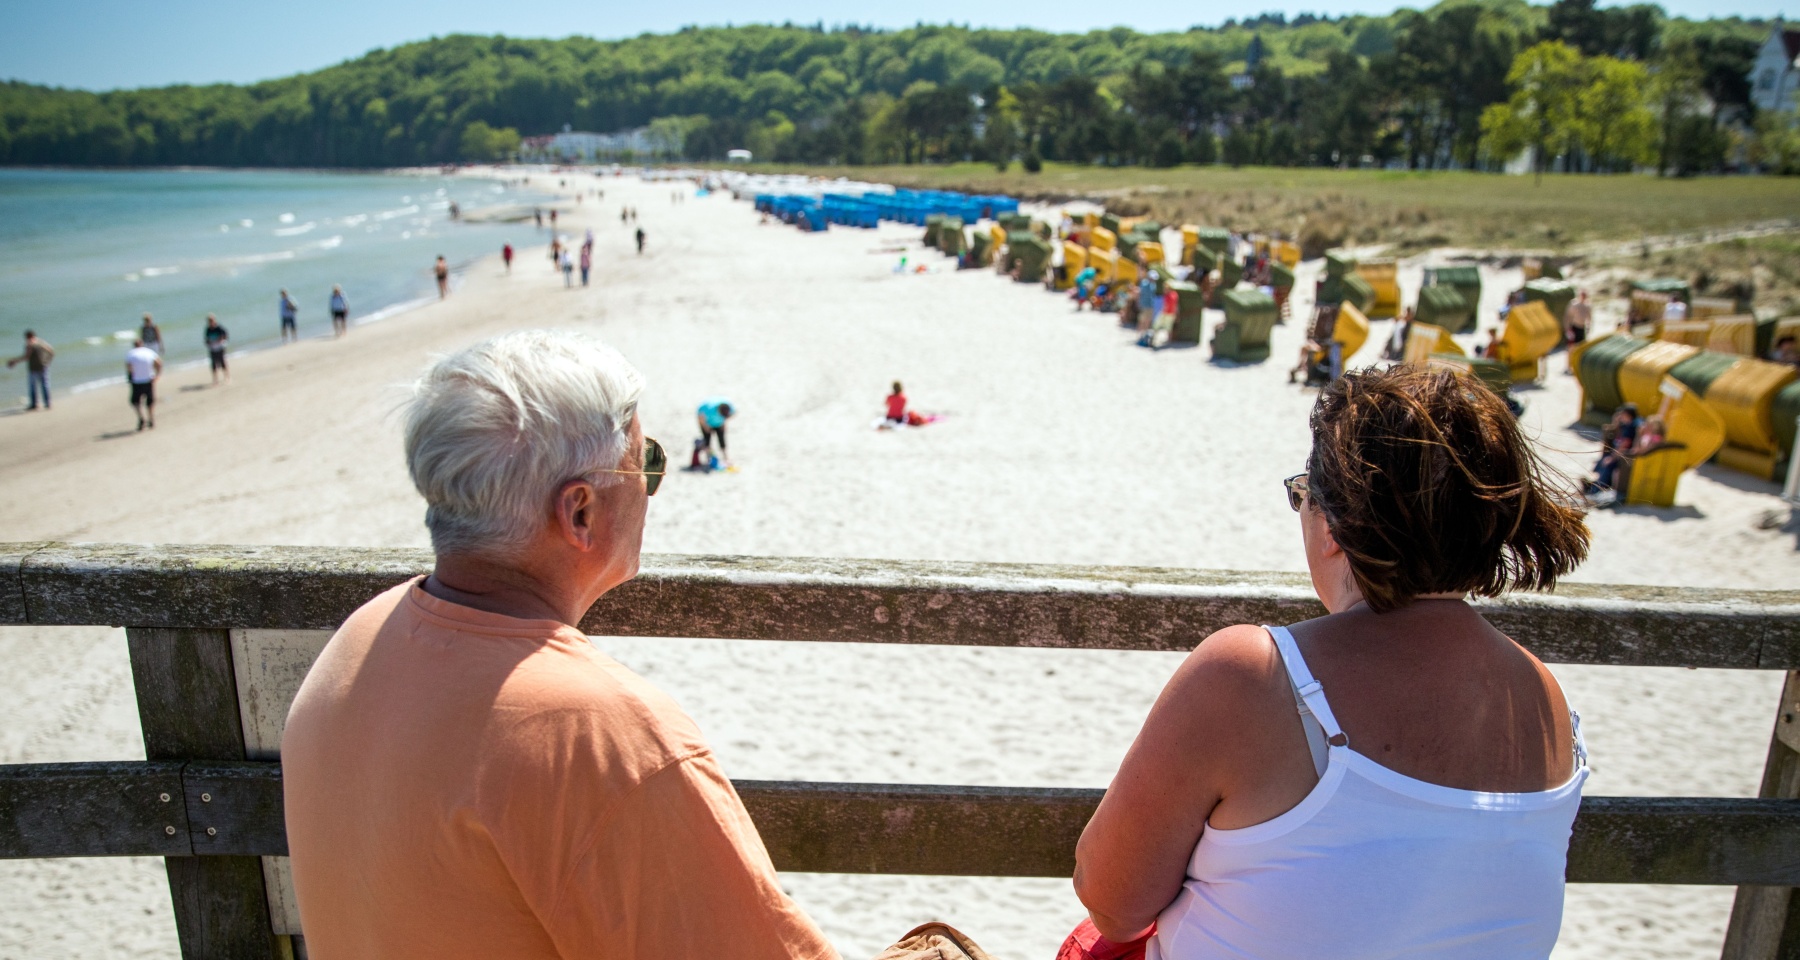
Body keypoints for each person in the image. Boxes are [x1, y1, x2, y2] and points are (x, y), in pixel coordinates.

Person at [282, 331, 834, 960]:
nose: (652, 485)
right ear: (580, 513)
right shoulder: (599, 733)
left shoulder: (363, 637)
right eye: (644, 463)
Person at [1072, 364, 1591, 960]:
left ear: (1335, 526)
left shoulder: (1252, 676)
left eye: (1302, 496)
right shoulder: (1543, 694)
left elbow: (1112, 904)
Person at [7, 330, 54, 410]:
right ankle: (47, 403)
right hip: (43, 366)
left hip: (34, 369)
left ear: (28, 337)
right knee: (45, 385)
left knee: (33, 386)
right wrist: (47, 361)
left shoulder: (29, 345)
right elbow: (51, 351)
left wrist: (15, 361)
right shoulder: (40, 342)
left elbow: (26, 357)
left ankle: (34, 404)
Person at [124, 338, 161, 431]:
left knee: (135, 401)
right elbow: (159, 363)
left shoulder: (131, 354)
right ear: (142, 344)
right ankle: (151, 418)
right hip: (148, 379)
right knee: (150, 401)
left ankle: (141, 418)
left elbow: (128, 367)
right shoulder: (149, 352)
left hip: (137, 381)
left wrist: (130, 376)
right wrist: (157, 375)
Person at [697, 397, 734, 462]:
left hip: (719, 423)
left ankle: (725, 457)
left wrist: (724, 423)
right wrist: (705, 426)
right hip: (706, 422)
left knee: (721, 438)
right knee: (707, 439)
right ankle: (709, 457)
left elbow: (731, 414)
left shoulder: (729, 407)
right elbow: (700, 417)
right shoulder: (708, 408)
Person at [204, 314, 229, 385]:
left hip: (220, 347)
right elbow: (206, 339)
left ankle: (227, 377)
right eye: (209, 320)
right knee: (213, 365)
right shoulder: (208, 329)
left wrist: (220, 340)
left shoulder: (219, 328)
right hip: (212, 348)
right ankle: (215, 380)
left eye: (211, 320)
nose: (210, 322)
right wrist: (208, 343)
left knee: (222, 362)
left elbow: (225, 335)